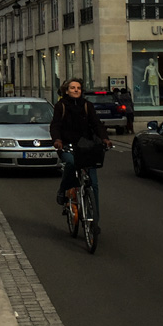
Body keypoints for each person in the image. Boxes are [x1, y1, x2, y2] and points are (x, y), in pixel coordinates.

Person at [50, 77, 112, 224]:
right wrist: (57, 140)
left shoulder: (87, 105)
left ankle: (94, 220)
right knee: (71, 164)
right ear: (66, 91)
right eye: (72, 88)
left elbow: (96, 124)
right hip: (67, 145)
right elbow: (55, 125)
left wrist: (105, 138)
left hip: (86, 147)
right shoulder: (61, 106)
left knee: (94, 184)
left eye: (78, 88)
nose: (76, 90)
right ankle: (63, 190)